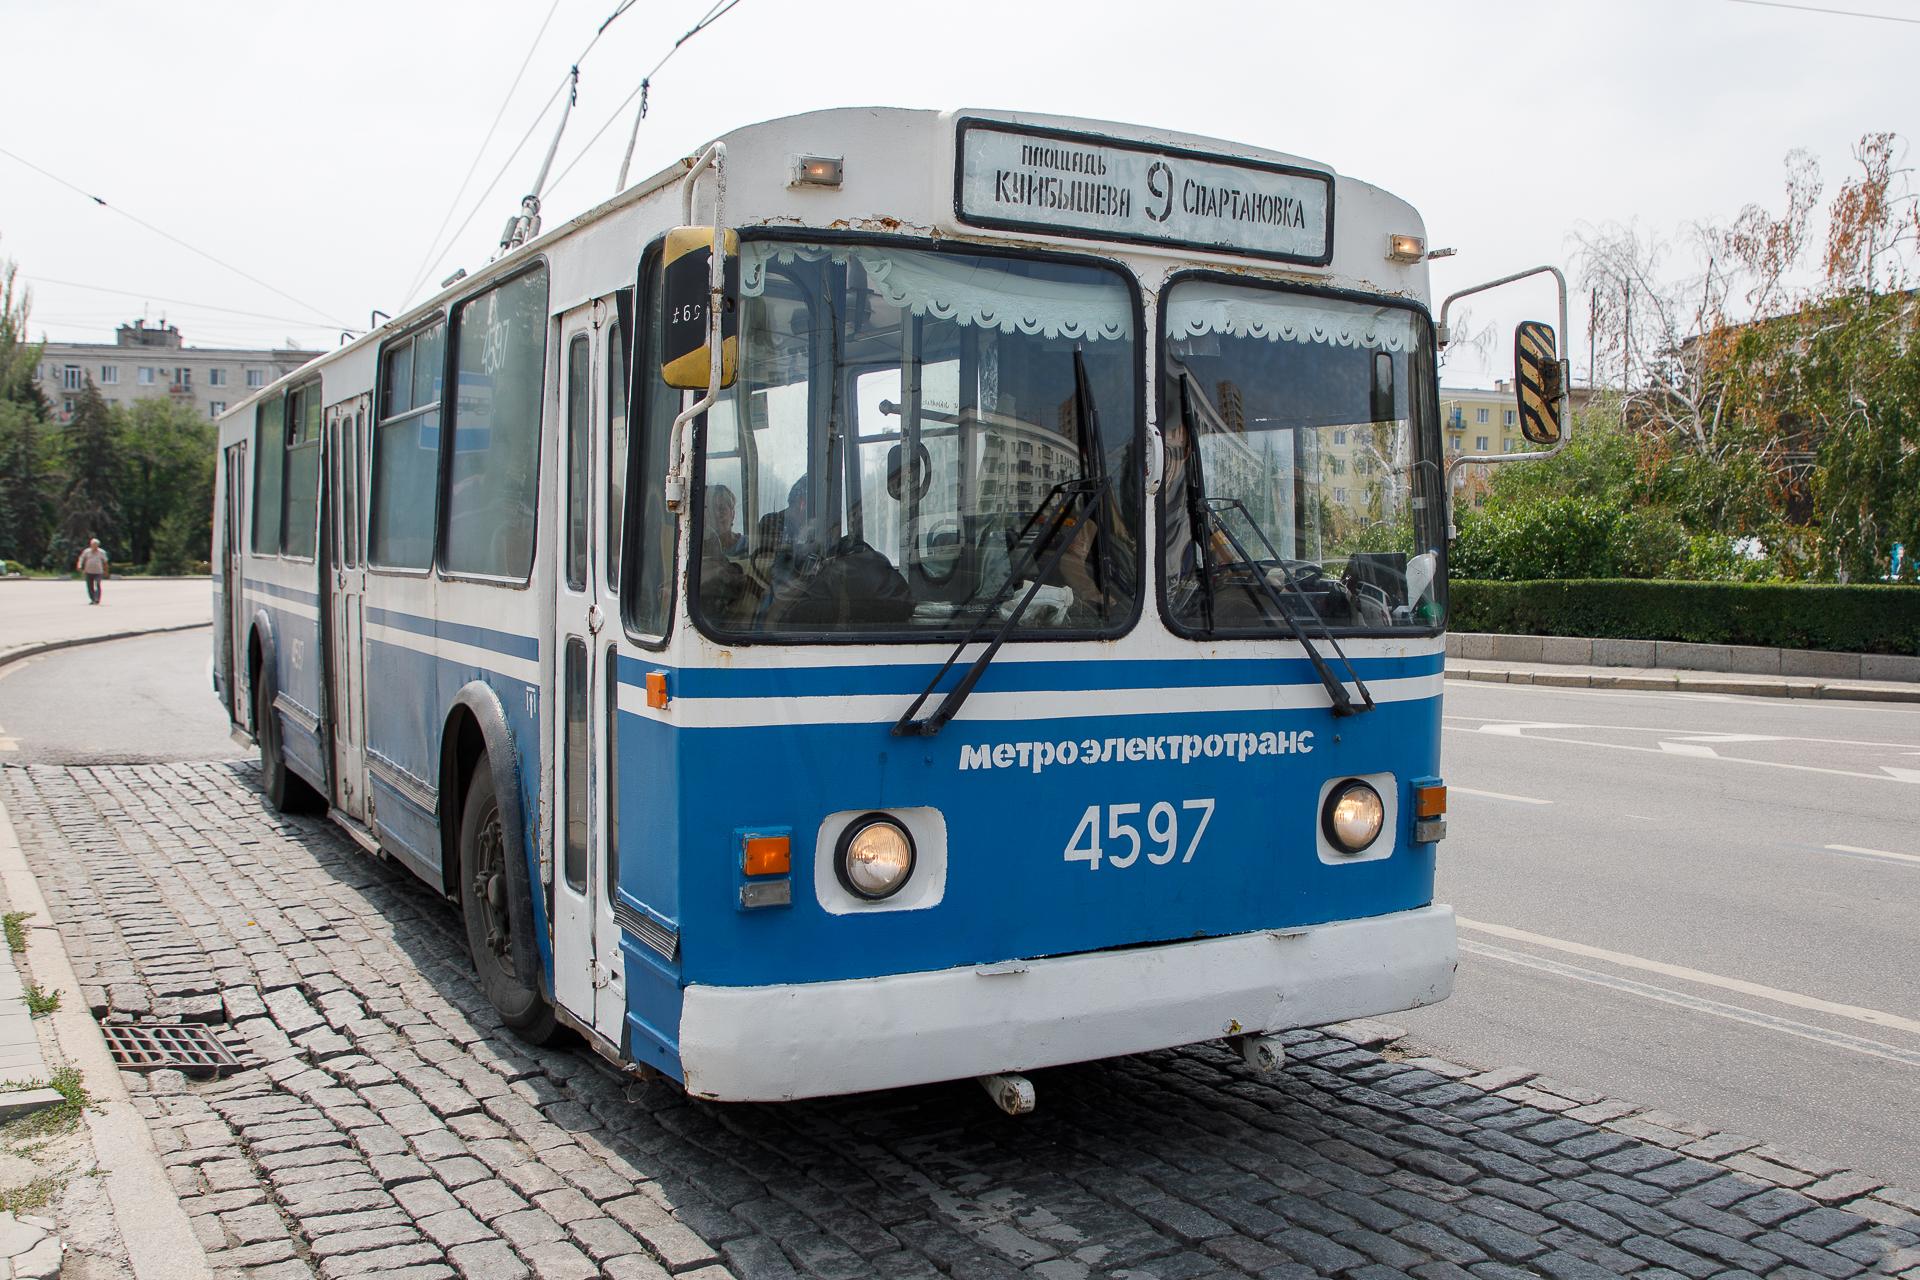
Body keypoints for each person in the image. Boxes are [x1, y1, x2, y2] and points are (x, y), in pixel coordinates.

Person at [76, 538, 109, 605]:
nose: (94, 546)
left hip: (98, 572)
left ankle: (97, 599)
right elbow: (81, 559)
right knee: (89, 586)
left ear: (98, 545)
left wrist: (106, 571)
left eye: (95, 545)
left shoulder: (101, 552)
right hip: (88, 572)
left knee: (97, 585)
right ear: (90, 545)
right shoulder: (86, 551)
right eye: (92, 545)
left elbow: (105, 562)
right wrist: (79, 565)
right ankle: (92, 599)